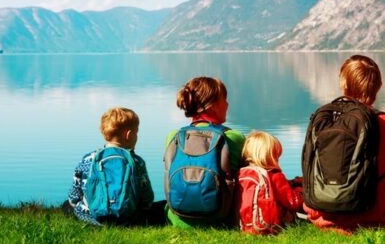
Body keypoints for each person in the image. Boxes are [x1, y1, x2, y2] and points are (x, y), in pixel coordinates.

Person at [303, 54, 385, 234]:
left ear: (343, 84)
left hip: (322, 215)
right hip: (376, 217)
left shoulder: (324, 121)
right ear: (378, 86)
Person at [164, 76, 245, 228]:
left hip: (178, 220)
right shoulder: (233, 137)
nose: (227, 104)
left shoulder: (173, 137)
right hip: (221, 220)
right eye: (224, 99)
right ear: (213, 105)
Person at [65, 107, 158, 225]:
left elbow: (74, 197)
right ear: (128, 134)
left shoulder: (88, 159)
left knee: (66, 205)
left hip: (91, 218)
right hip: (128, 219)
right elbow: (147, 199)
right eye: (136, 132)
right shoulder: (137, 162)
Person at [237, 131, 303, 234]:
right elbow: (293, 203)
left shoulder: (242, 173)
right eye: (277, 155)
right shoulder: (275, 175)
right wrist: (300, 192)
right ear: (271, 155)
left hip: (244, 225)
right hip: (270, 226)